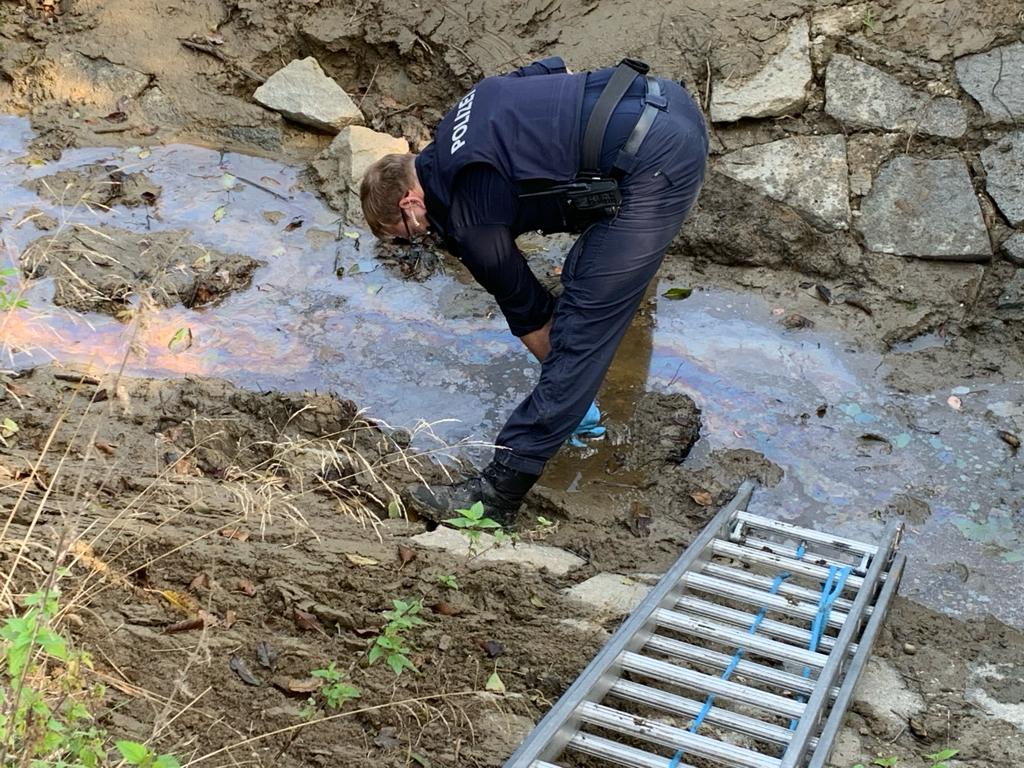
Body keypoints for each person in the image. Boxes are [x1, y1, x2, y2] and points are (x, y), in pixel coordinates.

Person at [360, 56, 708, 525]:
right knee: (592, 268)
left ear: (411, 202)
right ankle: (623, 280)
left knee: (580, 327)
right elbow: (556, 72)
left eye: (406, 232)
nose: (418, 238)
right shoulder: (463, 111)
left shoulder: (470, 222)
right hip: (667, 100)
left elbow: (532, 316)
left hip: (660, 162)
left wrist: (571, 386)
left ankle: (500, 489)